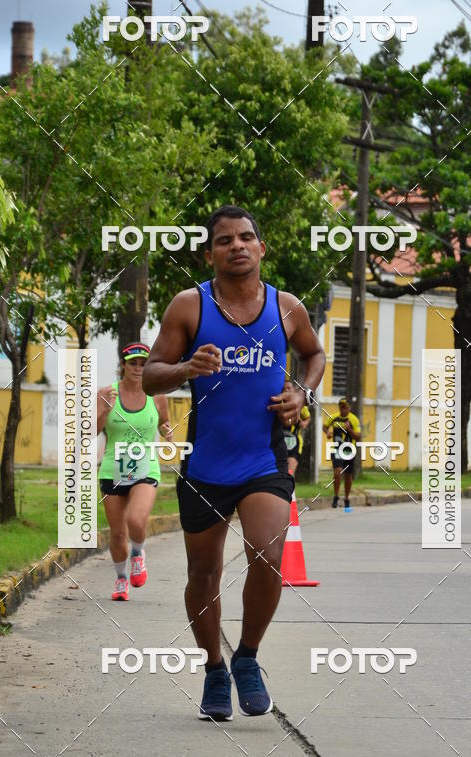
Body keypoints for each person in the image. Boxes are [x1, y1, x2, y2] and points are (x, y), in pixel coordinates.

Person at [142, 205, 325, 721]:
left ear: (261, 248)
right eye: (225, 240)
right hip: (205, 465)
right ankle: (214, 669)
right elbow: (152, 374)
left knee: (268, 554)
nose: (238, 245)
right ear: (211, 253)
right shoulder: (188, 306)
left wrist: (302, 393)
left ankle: (247, 658)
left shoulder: (286, 308)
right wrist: (184, 368)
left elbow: (314, 355)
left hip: (264, 458)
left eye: (247, 237)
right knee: (204, 571)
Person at [96, 342, 171, 602]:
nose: (138, 369)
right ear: (123, 366)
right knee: (117, 534)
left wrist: (167, 432)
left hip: (145, 467)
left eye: (143, 364)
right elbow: (90, 432)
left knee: (136, 520)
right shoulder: (107, 393)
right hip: (112, 469)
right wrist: (105, 409)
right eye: (133, 363)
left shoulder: (157, 395)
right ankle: (121, 578)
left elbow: (163, 422)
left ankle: (138, 554)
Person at [323, 397, 361, 511]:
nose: (343, 409)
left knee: (348, 476)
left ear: (349, 408)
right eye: (341, 407)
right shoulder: (334, 418)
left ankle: (347, 498)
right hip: (336, 449)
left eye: (345, 407)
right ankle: (336, 496)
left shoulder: (354, 420)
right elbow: (324, 426)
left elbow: (358, 437)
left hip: (349, 450)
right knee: (337, 472)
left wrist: (349, 429)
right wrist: (328, 432)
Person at [283, 388, 311, 477]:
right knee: (280, 473)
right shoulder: (277, 404)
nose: (286, 390)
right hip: (279, 443)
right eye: (284, 389)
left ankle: (291, 490)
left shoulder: (299, 404)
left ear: (293, 390)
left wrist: (303, 423)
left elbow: (308, 418)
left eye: (289, 388)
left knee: (290, 472)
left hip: (294, 443)